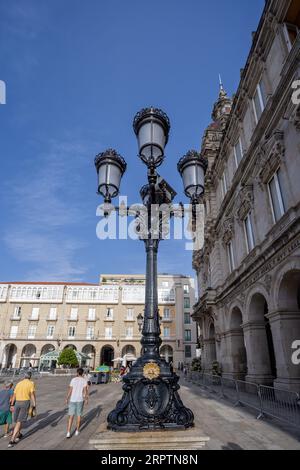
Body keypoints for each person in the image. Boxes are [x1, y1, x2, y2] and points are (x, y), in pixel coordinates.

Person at [8, 372, 36, 448]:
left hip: (17, 403)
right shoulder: (31, 383)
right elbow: (32, 394)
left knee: (17, 421)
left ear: (24, 376)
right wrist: (34, 404)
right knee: (19, 421)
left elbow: (14, 394)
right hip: (25, 402)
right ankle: (12, 440)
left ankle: (19, 434)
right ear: (30, 377)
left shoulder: (19, 383)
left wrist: (11, 405)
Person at [65, 367, 88, 438]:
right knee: (78, 416)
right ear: (82, 373)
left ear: (77, 373)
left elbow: (70, 390)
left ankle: (68, 432)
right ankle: (77, 430)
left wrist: (67, 398)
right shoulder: (84, 381)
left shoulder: (73, 380)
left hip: (72, 400)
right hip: (80, 400)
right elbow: (85, 391)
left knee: (71, 416)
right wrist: (86, 399)